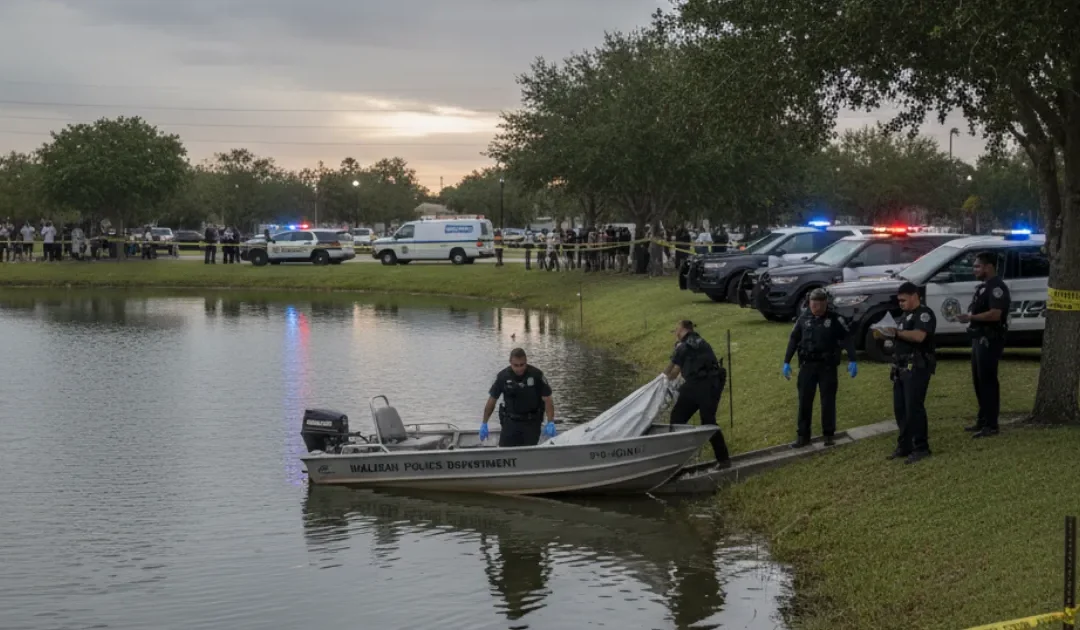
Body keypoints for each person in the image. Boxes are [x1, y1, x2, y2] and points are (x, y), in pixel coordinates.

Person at [782, 288, 858, 448]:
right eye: (813, 304)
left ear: (826, 304)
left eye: (820, 304)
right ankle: (803, 436)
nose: (817, 308)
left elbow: (846, 338)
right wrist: (786, 362)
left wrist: (852, 359)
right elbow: (794, 339)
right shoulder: (803, 318)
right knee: (804, 401)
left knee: (828, 401)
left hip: (827, 366)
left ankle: (829, 435)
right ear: (809, 303)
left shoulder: (835, 319)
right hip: (807, 366)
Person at [879, 282, 937, 464]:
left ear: (914, 296)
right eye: (899, 300)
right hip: (901, 367)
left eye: (904, 300)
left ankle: (921, 447)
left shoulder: (924, 314)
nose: (901, 303)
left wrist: (897, 332)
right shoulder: (906, 315)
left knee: (914, 407)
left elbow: (919, 336)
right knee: (900, 408)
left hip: (917, 366)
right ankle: (905, 446)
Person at [956, 252, 1010, 438]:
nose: (974, 270)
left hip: (990, 339)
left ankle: (992, 424)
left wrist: (971, 317)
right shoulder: (983, 287)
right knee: (978, 381)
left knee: (987, 381)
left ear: (989, 267)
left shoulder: (997, 288)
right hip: (979, 338)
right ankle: (983, 419)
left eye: (978, 266)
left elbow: (995, 314)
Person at [664, 320, 731, 468]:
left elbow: (670, 369)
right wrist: (663, 383)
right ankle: (676, 459)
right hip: (695, 384)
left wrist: (660, 380)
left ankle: (724, 460)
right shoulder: (695, 342)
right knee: (677, 418)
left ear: (682, 329)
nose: (675, 333)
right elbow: (676, 372)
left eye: (676, 329)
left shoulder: (687, 345)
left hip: (708, 385)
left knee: (708, 421)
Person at [481, 348, 556, 447]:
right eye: (516, 365)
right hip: (510, 422)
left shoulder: (536, 375)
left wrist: (550, 422)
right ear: (510, 362)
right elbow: (492, 400)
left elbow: (548, 399)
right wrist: (484, 423)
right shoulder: (503, 376)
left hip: (532, 422)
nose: (519, 369)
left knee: (529, 453)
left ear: (526, 362)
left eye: (522, 365)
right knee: (504, 452)